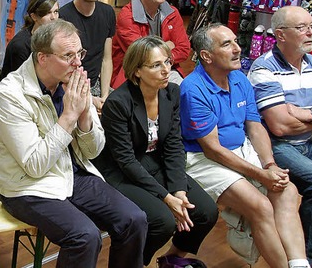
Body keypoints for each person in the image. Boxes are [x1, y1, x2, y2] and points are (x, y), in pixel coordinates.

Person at [0, 20, 148, 268]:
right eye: (68, 56)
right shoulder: (10, 95)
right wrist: (68, 118)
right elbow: (34, 165)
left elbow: (93, 151)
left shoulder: (73, 81)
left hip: (71, 174)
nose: (78, 63)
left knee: (134, 219)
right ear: (42, 58)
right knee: (84, 236)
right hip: (27, 187)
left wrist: (85, 116)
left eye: (79, 54)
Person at [180, 23, 311, 268]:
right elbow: (213, 149)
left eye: (235, 41)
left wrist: (269, 165)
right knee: (259, 206)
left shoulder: (239, 78)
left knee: (288, 192)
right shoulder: (193, 89)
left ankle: (299, 264)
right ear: (206, 56)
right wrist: (261, 175)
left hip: (240, 149)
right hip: (203, 159)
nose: (237, 49)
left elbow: (254, 126)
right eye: (226, 44)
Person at [92, 36, 218, 266]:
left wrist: (178, 190)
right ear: (137, 71)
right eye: (156, 65)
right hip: (120, 171)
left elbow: (173, 145)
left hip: (154, 162)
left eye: (167, 62)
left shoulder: (171, 93)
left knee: (205, 212)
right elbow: (126, 160)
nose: (166, 70)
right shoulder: (118, 103)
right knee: (162, 221)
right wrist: (166, 196)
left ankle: (172, 260)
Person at [248, 6, 312, 268]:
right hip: (278, 147)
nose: (310, 33)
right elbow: (279, 126)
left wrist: (303, 113)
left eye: (311, 26)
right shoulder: (264, 68)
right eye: (302, 28)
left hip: (307, 141)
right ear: (280, 34)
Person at [111, 0, 190, 88]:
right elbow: (141, 55)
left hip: (167, 70)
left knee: (185, 93)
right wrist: (168, 46)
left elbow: (184, 49)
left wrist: (159, 58)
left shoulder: (172, 13)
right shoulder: (127, 16)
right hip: (135, 73)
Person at [59, 0, 116, 110]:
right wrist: (90, 99)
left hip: (96, 83)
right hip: (70, 85)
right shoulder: (63, 16)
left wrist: (104, 96)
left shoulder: (107, 12)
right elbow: (62, 68)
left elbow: (106, 59)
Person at [0, 0, 59, 83]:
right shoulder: (20, 45)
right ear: (34, 17)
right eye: (47, 13)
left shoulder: (57, 36)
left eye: (56, 11)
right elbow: (21, 81)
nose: (53, 17)